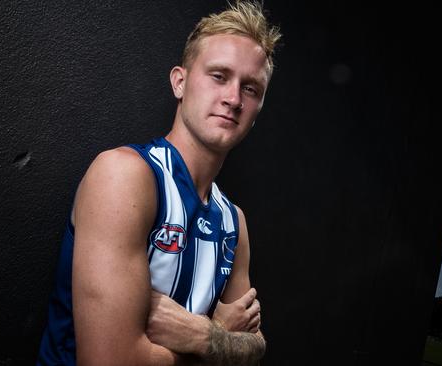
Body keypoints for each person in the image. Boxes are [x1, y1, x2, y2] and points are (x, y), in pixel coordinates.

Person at [37, 1, 281, 364]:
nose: (233, 99)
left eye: (250, 89)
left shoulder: (233, 223)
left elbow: (254, 349)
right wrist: (211, 336)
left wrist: (199, 333)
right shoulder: (125, 177)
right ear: (179, 82)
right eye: (219, 76)